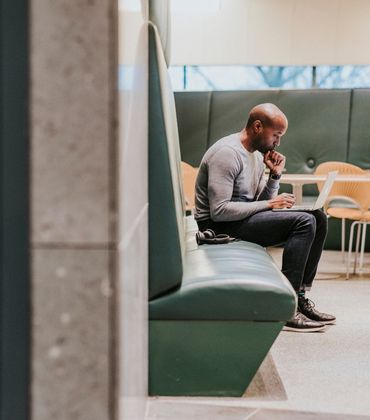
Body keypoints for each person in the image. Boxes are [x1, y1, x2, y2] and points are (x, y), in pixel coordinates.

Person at [194, 103, 336, 332]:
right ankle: (285, 308)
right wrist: (271, 203)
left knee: (318, 217)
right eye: (276, 135)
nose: (278, 142)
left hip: (239, 219)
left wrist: (275, 176)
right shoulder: (227, 153)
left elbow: (258, 201)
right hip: (216, 227)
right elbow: (218, 211)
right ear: (258, 127)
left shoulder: (257, 156)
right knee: (303, 222)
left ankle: (299, 297)